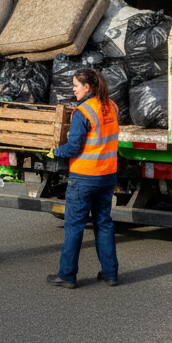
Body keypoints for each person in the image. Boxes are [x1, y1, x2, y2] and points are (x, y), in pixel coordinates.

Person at [47, 68, 120, 289]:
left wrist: (54, 152)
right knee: (104, 223)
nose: (73, 89)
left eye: (76, 85)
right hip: (107, 175)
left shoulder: (82, 112)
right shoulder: (112, 106)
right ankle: (110, 274)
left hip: (85, 177)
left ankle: (67, 275)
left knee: (74, 226)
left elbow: (73, 148)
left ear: (87, 87)